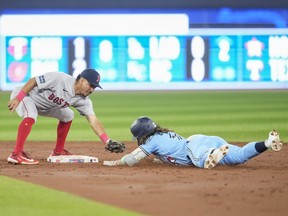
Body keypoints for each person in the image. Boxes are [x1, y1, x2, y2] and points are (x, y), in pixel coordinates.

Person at [7, 68, 125, 165]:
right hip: (25, 96)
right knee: (31, 115)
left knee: (68, 115)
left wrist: (107, 140)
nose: (92, 89)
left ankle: (58, 152)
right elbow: (34, 81)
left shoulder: (83, 100)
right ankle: (16, 154)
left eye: (94, 87)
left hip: (45, 106)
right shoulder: (60, 79)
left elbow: (93, 120)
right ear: (82, 80)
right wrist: (18, 98)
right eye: (91, 85)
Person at [103, 116, 283, 169]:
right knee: (239, 156)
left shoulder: (152, 141)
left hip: (195, 147)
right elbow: (170, 152)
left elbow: (133, 159)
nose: (139, 140)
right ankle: (267, 143)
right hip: (203, 141)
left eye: (139, 137)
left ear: (143, 134)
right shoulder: (165, 134)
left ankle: (211, 155)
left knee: (200, 161)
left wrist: (116, 162)